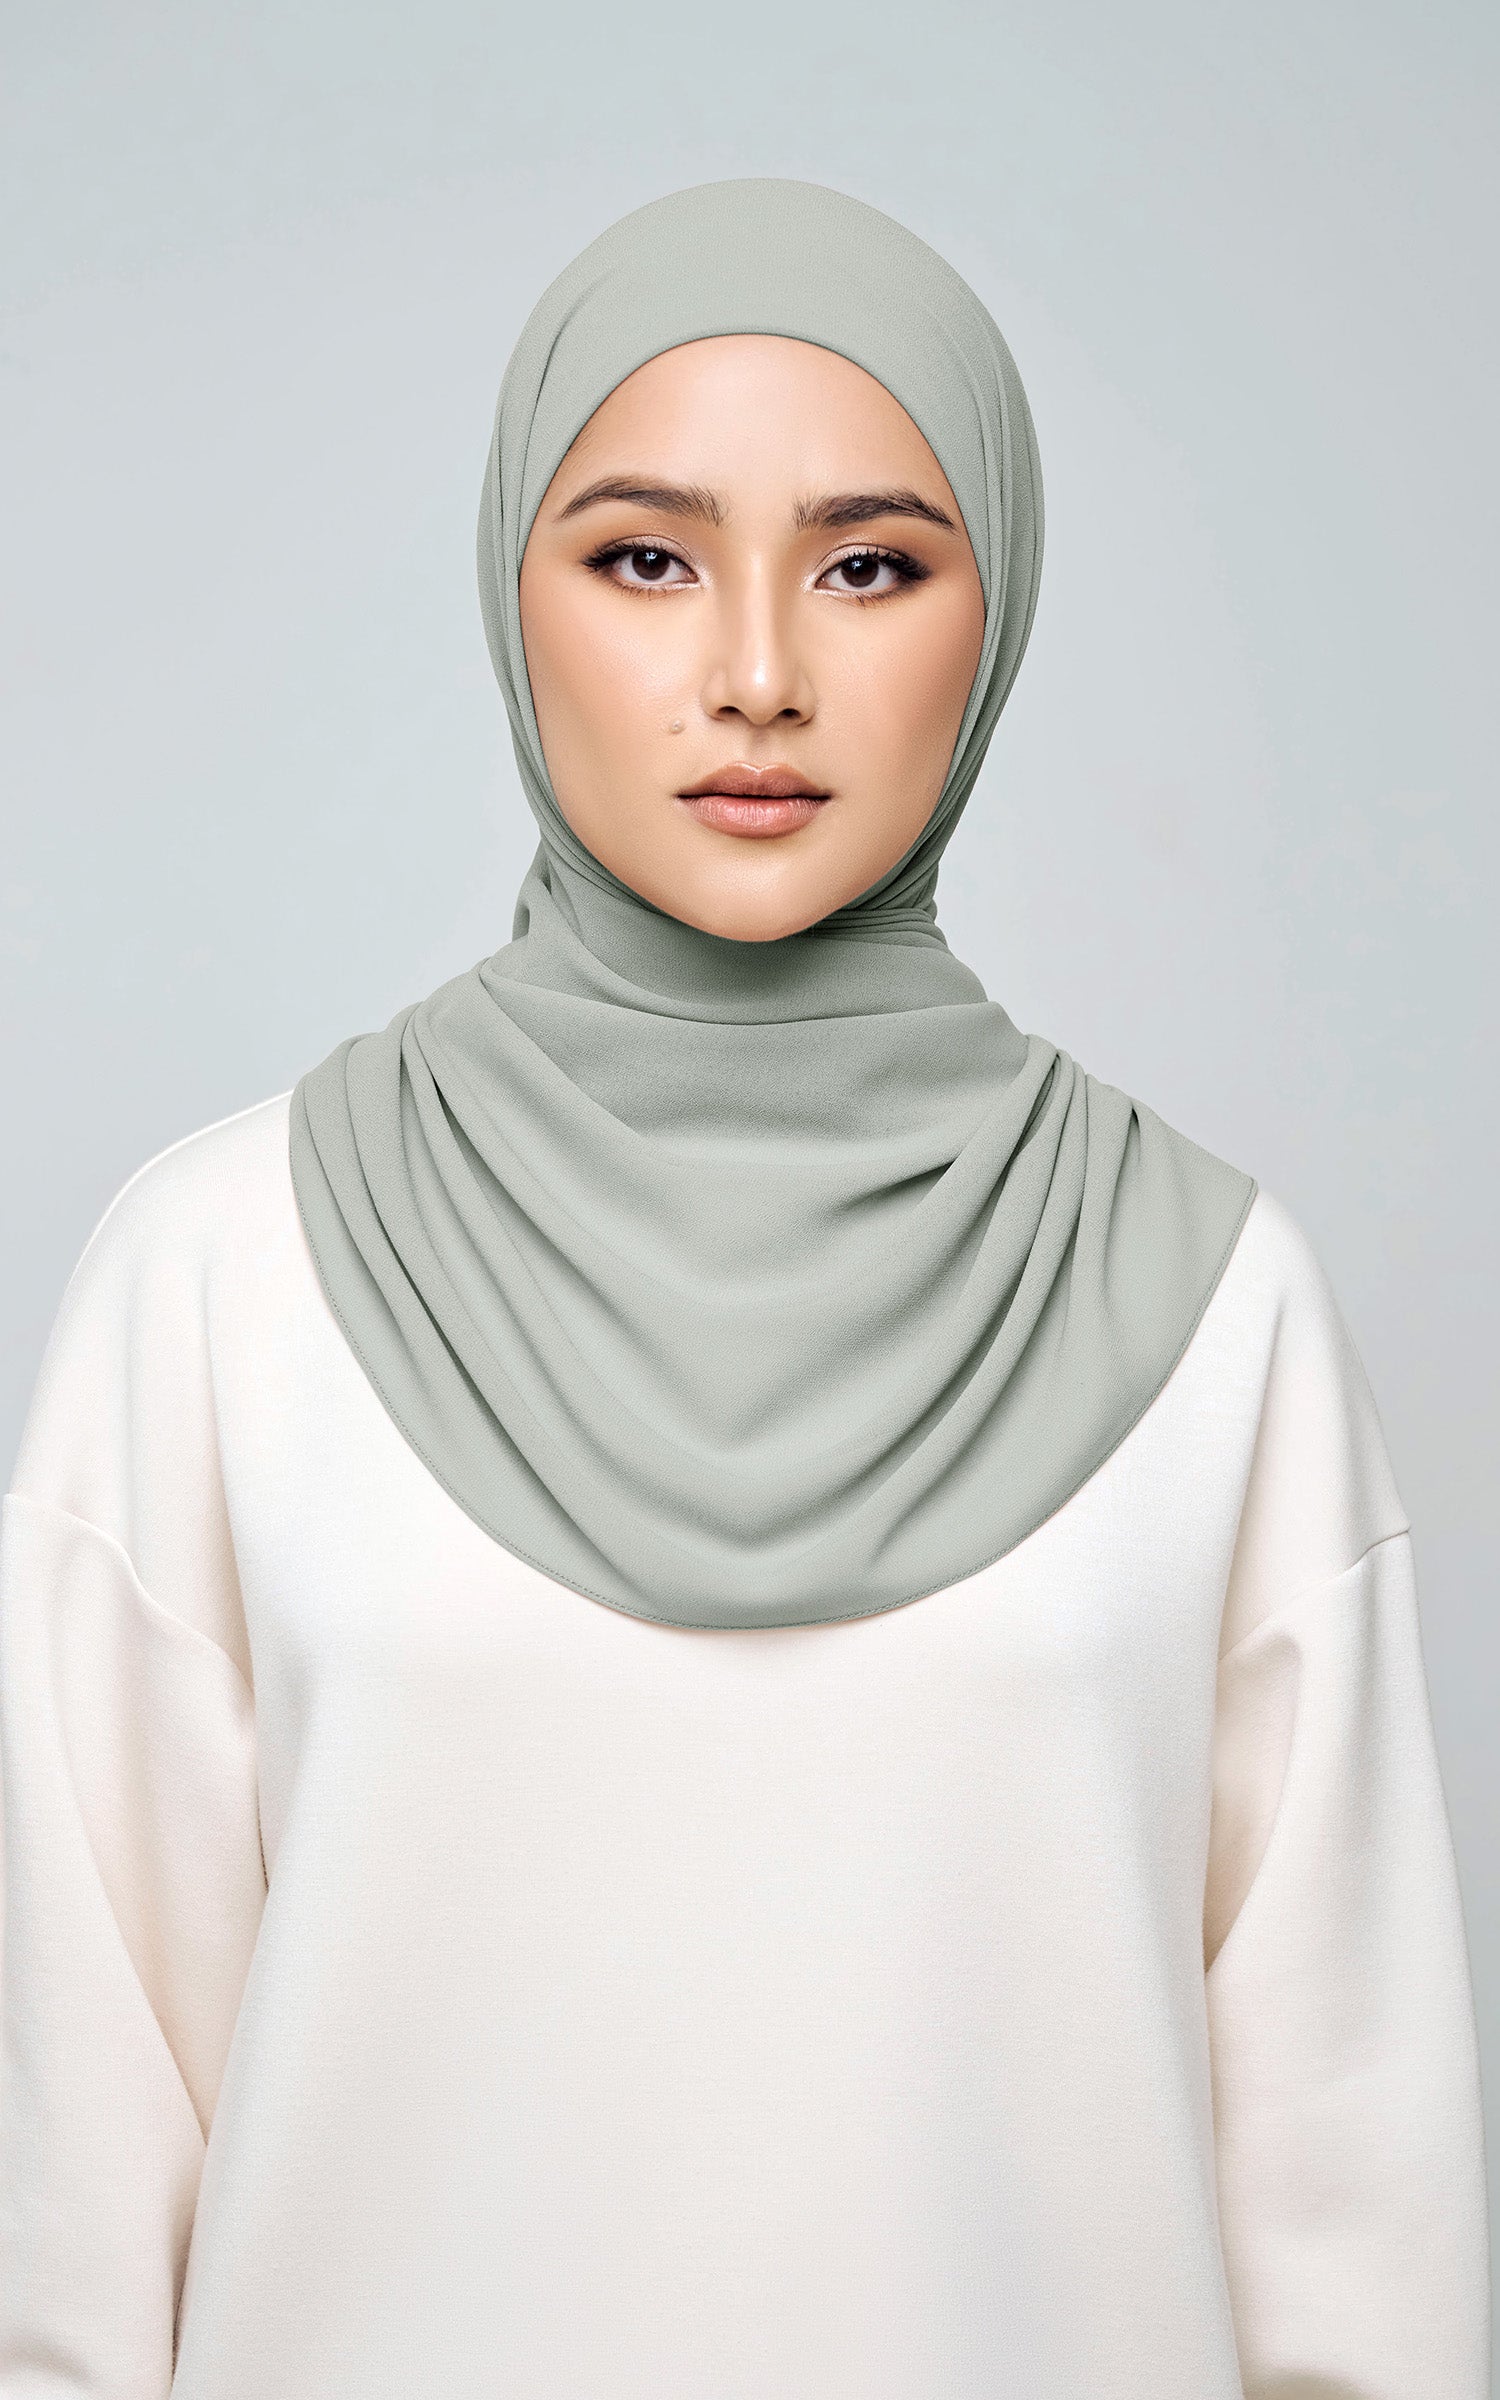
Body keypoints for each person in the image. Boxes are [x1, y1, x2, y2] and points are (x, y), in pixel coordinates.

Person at [0, 177, 1488, 2399]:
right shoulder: (219, 1283)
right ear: (512, 594)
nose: (761, 674)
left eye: (871, 564)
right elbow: (68, 2235)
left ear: (998, 613)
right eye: (645, 559)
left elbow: (1360, 2264)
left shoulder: (1209, 1310)